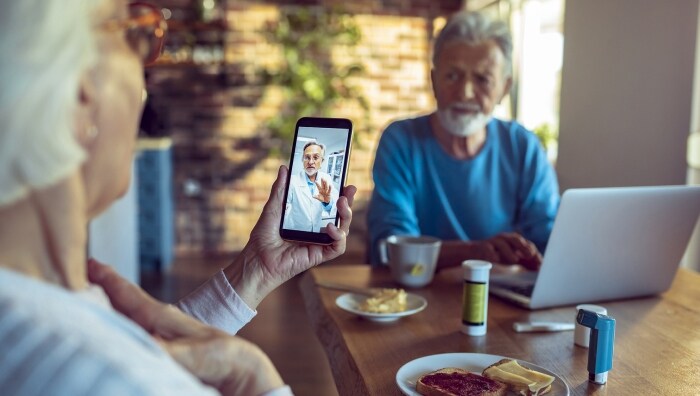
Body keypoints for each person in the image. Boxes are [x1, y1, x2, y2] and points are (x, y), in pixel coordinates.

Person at [0, 1, 356, 395]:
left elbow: (150, 355)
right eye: (139, 33)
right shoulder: (110, 377)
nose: (145, 82)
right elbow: (134, 373)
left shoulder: (36, 309)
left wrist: (254, 272)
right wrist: (257, 380)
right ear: (80, 94)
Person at [367, 11, 560, 270]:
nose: (465, 92)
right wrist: (476, 252)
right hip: (417, 298)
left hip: (502, 299)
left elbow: (549, 241)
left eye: (482, 79)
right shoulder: (401, 141)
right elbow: (390, 247)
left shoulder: (524, 147)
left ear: (504, 88)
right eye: (452, 76)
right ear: (434, 81)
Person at [283, 141, 339, 232]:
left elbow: (335, 206)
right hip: (295, 229)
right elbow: (284, 207)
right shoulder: (292, 181)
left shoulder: (326, 179)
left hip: (315, 230)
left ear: (322, 161)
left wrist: (327, 202)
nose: (311, 162)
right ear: (302, 160)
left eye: (316, 157)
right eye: (307, 157)